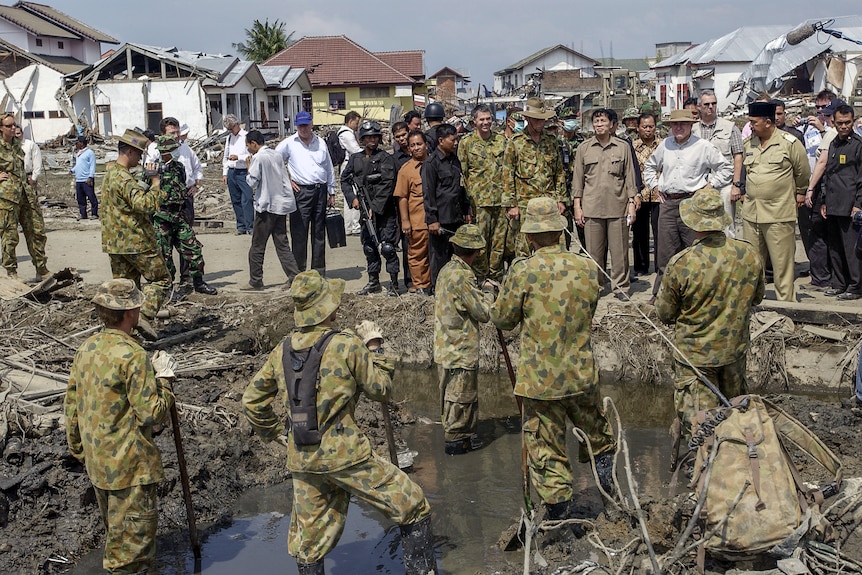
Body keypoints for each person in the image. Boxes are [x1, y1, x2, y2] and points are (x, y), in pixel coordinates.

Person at [242, 271, 439, 575]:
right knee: (412, 503)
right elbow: (381, 390)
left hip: (303, 457)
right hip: (345, 455)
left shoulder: (282, 349)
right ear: (327, 308)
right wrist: (375, 347)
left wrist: (275, 433)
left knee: (309, 542)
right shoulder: (346, 344)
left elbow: (251, 401)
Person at [490, 197, 617, 522]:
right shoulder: (587, 267)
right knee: (598, 440)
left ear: (530, 236)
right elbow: (589, 308)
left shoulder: (523, 271)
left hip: (540, 383)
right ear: (560, 232)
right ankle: (611, 500)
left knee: (547, 449)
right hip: (581, 375)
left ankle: (559, 517)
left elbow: (503, 320)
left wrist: (496, 299)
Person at [64, 278, 177, 575]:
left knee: (117, 537)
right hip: (130, 469)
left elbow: (72, 406)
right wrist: (165, 381)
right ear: (131, 311)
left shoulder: (87, 348)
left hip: (99, 465)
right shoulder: (133, 355)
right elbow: (152, 414)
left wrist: (79, 450)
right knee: (131, 557)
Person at [656, 189, 764, 441]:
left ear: (694, 223)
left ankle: (700, 474)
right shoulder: (748, 254)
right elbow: (756, 298)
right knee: (735, 422)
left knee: (701, 433)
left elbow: (664, 313)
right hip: (733, 354)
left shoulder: (682, 262)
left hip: (695, 360)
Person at [642, 109, 732, 304]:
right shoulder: (665, 145)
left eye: (683, 124)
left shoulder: (702, 146)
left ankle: (696, 296)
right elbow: (650, 167)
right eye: (675, 124)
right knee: (665, 252)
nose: (679, 127)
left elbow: (726, 167)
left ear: (691, 125)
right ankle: (662, 295)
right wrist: (656, 186)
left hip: (693, 203)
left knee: (694, 250)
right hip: (668, 204)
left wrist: (710, 186)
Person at [100, 128, 169, 341]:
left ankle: (121, 333)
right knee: (162, 279)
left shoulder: (110, 174)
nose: (140, 159)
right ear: (129, 151)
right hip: (136, 241)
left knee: (126, 290)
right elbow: (144, 205)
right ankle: (144, 316)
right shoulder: (123, 178)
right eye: (139, 154)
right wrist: (156, 185)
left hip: (114, 243)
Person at [434, 224, 494, 455]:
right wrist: (488, 291)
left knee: (451, 401)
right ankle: (457, 443)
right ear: (475, 251)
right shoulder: (462, 276)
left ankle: (461, 438)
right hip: (460, 350)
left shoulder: (447, 270)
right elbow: (483, 313)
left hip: (445, 348)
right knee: (460, 401)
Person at [741, 101, 810, 302]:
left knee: (782, 265)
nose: (751, 126)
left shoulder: (790, 143)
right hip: (751, 214)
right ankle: (754, 303)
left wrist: (799, 193)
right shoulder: (749, 144)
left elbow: (803, 172)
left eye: (754, 122)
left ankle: (786, 305)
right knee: (752, 263)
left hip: (778, 213)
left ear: (768, 122)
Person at [572, 108, 638, 292]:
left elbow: (630, 178)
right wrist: (577, 206)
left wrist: (631, 204)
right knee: (594, 253)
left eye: (603, 121)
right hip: (592, 208)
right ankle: (596, 286)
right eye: (596, 121)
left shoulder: (622, 147)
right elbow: (578, 180)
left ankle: (621, 287)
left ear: (611, 125)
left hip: (618, 207)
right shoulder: (584, 148)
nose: (599, 124)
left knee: (620, 253)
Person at [151, 136, 217, 296]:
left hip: (178, 216)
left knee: (193, 248)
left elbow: (184, 185)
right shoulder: (153, 169)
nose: (176, 152)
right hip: (162, 219)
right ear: (163, 151)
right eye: (172, 149)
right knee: (164, 256)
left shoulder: (179, 167)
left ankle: (198, 282)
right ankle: (167, 290)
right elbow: (145, 192)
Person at [341, 120, 401, 295]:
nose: (372, 140)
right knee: (369, 247)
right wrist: (352, 199)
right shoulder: (355, 159)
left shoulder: (386, 159)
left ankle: (394, 284)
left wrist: (374, 207)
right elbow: (345, 180)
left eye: (375, 136)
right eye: (368, 137)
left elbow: (388, 185)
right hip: (365, 211)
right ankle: (373, 281)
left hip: (385, 211)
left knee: (387, 248)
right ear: (362, 139)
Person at [501, 97, 565, 258]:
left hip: (549, 203)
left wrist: (561, 199)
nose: (540, 123)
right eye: (536, 119)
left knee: (553, 247)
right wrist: (511, 205)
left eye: (543, 120)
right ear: (527, 118)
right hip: (525, 206)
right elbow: (507, 175)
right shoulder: (515, 143)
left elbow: (558, 171)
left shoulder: (551, 141)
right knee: (524, 250)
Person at [277, 111, 336, 276]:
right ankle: (298, 272)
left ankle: (318, 271)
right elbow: (274, 161)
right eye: (301, 125)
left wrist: (331, 191)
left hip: (320, 190)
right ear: (296, 126)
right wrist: (286, 180)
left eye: (306, 125)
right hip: (301, 191)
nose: (304, 128)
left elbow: (328, 167)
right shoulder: (289, 143)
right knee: (299, 232)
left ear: (311, 124)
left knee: (318, 232)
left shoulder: (321, 142)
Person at [242, 130, 301, 290]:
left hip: (267, 205)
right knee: (282, 243)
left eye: (248, 145)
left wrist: (248, 168)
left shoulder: (258, 158)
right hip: (280, 204)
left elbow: (252, 182)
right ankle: (294, 276)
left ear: (254, 144)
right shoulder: (275, 155)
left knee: (257, 245)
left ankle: (255, 280)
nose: (248, 149)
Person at [457, 104, 508, 282]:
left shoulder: (501, 141)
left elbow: (508, 171)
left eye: (488, 119)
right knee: (479, 244)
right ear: (474, 122)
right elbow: (462, 176)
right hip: (478, 204)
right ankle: (480, 277)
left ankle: (495, 277)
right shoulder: (466, 143)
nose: (486, 123)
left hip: (500, 202)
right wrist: (466, 205)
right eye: (482, 119)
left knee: (499, 243)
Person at [819, 104, 862, 300]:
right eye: (840, 123)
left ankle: (855, 286)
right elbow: (829, 173)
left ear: (853, 122)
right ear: (834, 123)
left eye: (847, 122)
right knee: (834, 247)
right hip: (833, 203)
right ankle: (839, 283)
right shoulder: (834, 143)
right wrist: (825, 201)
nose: (844, 126)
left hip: (850, 205)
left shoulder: (858, 145)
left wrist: (858, 204)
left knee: (851, 248)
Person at [0, 113, 50, 282]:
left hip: (25, 194)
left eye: (14, 124)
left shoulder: (17, 144)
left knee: (37, 231)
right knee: (10, 235)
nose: (14, 128)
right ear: (1, 128)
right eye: (9, 126)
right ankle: (11, 272)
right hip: (7, 197)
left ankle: (41, 269)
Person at [422, 123, 471, 287]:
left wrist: (466, 209)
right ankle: (439, 290)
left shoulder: (455, 160)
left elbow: (460, 186)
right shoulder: (431, 163)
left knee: (456, 257)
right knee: (440, 258)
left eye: (457, 139)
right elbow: (428, 194)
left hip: (456, 217)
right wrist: (432, 220)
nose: (456, 143)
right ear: (441, 141)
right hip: (440, 220)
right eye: (453, 140)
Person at [693, 90, 744, 238]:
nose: (710, 107)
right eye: (706, 104)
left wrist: (736, 185)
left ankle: (728, 259)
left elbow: (738, 157)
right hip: (700, 185)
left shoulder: (730, 128)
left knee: (727, 226)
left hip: (725, 186)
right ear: (699, 107)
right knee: (701, 226)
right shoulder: (693, 130)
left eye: (713, 103)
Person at [803, 98, 841, 290]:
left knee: (817, 233)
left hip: (823, 188)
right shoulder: (839, 135)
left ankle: (820, 278)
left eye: (827, 114)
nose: (824, 117)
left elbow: (822, 163)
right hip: (835, 189)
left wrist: (810, 188)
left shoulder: (830, 135)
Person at [395, 130, 432, 295]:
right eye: (413, 145)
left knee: (435, 256)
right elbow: (402, 197)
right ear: (408, 149)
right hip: (417, 220)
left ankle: (432, 285)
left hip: (436, 220)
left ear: (426, 144)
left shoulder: (434, 163)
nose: (416, 148)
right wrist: (405, 221)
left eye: (419, 144)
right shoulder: (406, 170)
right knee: (417, 255)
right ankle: (420, 286)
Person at [175, 123, 204, 289]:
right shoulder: (157, 150)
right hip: (167, 202)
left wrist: (196, 184)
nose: (177, 135)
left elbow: (197, 167)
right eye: (173, 132)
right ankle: (165, 279)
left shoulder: (186, 149)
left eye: (178, 132)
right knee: (166, 241)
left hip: (186, 197)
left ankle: (186, 277)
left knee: (186, 238)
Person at [632, 112, 662, 275]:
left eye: (651, 126)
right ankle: (641, 266)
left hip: (659, 195)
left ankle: (660, 266)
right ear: (638, 128)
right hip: (639, 195)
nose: (648, 130)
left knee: (660, 233)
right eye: (644, 127)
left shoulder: (663, 145)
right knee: (639, 233)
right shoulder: (632, 146)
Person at [222, 114, 255, 234]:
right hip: (232, 172)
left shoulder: (246, 136)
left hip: (243, 171)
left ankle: (250, 226)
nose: (230, 131)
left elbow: (251, 155)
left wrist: (238, 157)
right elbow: (225, 156)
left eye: (231, 128)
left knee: (247, 199)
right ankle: (241, 226)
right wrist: (225, 173)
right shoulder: (229, 138)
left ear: (237, 125)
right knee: (235, 199)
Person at [338, 111, 363, 235]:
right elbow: (355, 150)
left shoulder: (345, 133)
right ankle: (354, 226)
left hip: (347, 164)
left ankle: (348, 227)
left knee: (349, 196)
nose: (357, 125)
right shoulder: (346, 134)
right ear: (350, 121)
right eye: (356, 123)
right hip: (349, 165)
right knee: (354, 195)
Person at [69, 135, 98, 220]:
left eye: (77, 143)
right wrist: (72, 170)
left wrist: (90, 177)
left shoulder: (90, 153)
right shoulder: (79, 153)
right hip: (79, 179)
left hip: (86, 179)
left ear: (81, 143)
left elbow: (92, 166)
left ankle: (94, 214)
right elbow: (78, 165)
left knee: (91, 197)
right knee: (80, 198)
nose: (76, 145)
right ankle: (83, 214)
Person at [17, 126, 41, 193]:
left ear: (22, 133)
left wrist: (33, 178)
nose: (16, 136)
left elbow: (37, 163)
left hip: (28, 177)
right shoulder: (8, 146)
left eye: (18, 133)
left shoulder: (30, 145)